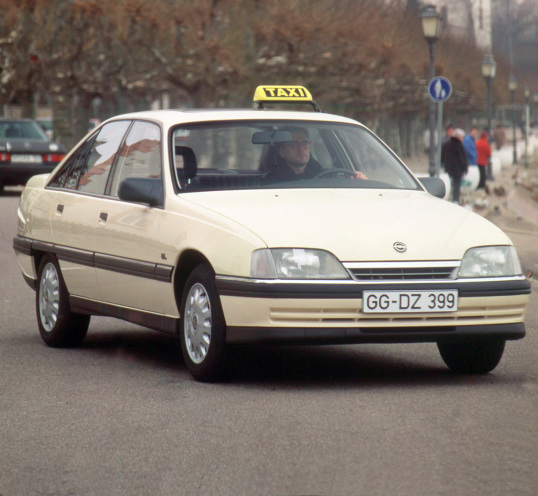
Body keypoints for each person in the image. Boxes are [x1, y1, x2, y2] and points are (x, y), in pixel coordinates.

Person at [265, 127, 366, 182]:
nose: (301, 148)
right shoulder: (271, 182)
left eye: (305, 143)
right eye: (294, 144)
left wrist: (358, 180)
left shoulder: (328, 177)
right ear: (282, 152)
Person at [441, 128, 468, 203]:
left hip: (448, 168)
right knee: (456, 185)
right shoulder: (459, 145)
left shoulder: (447, 144)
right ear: (459, 137)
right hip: (457, 169)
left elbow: (442, 157)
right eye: (462, 137)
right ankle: (456, 199)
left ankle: (447, 199)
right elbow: (462, 158)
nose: (462, 139)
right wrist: (465, 168)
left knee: (448, 184)